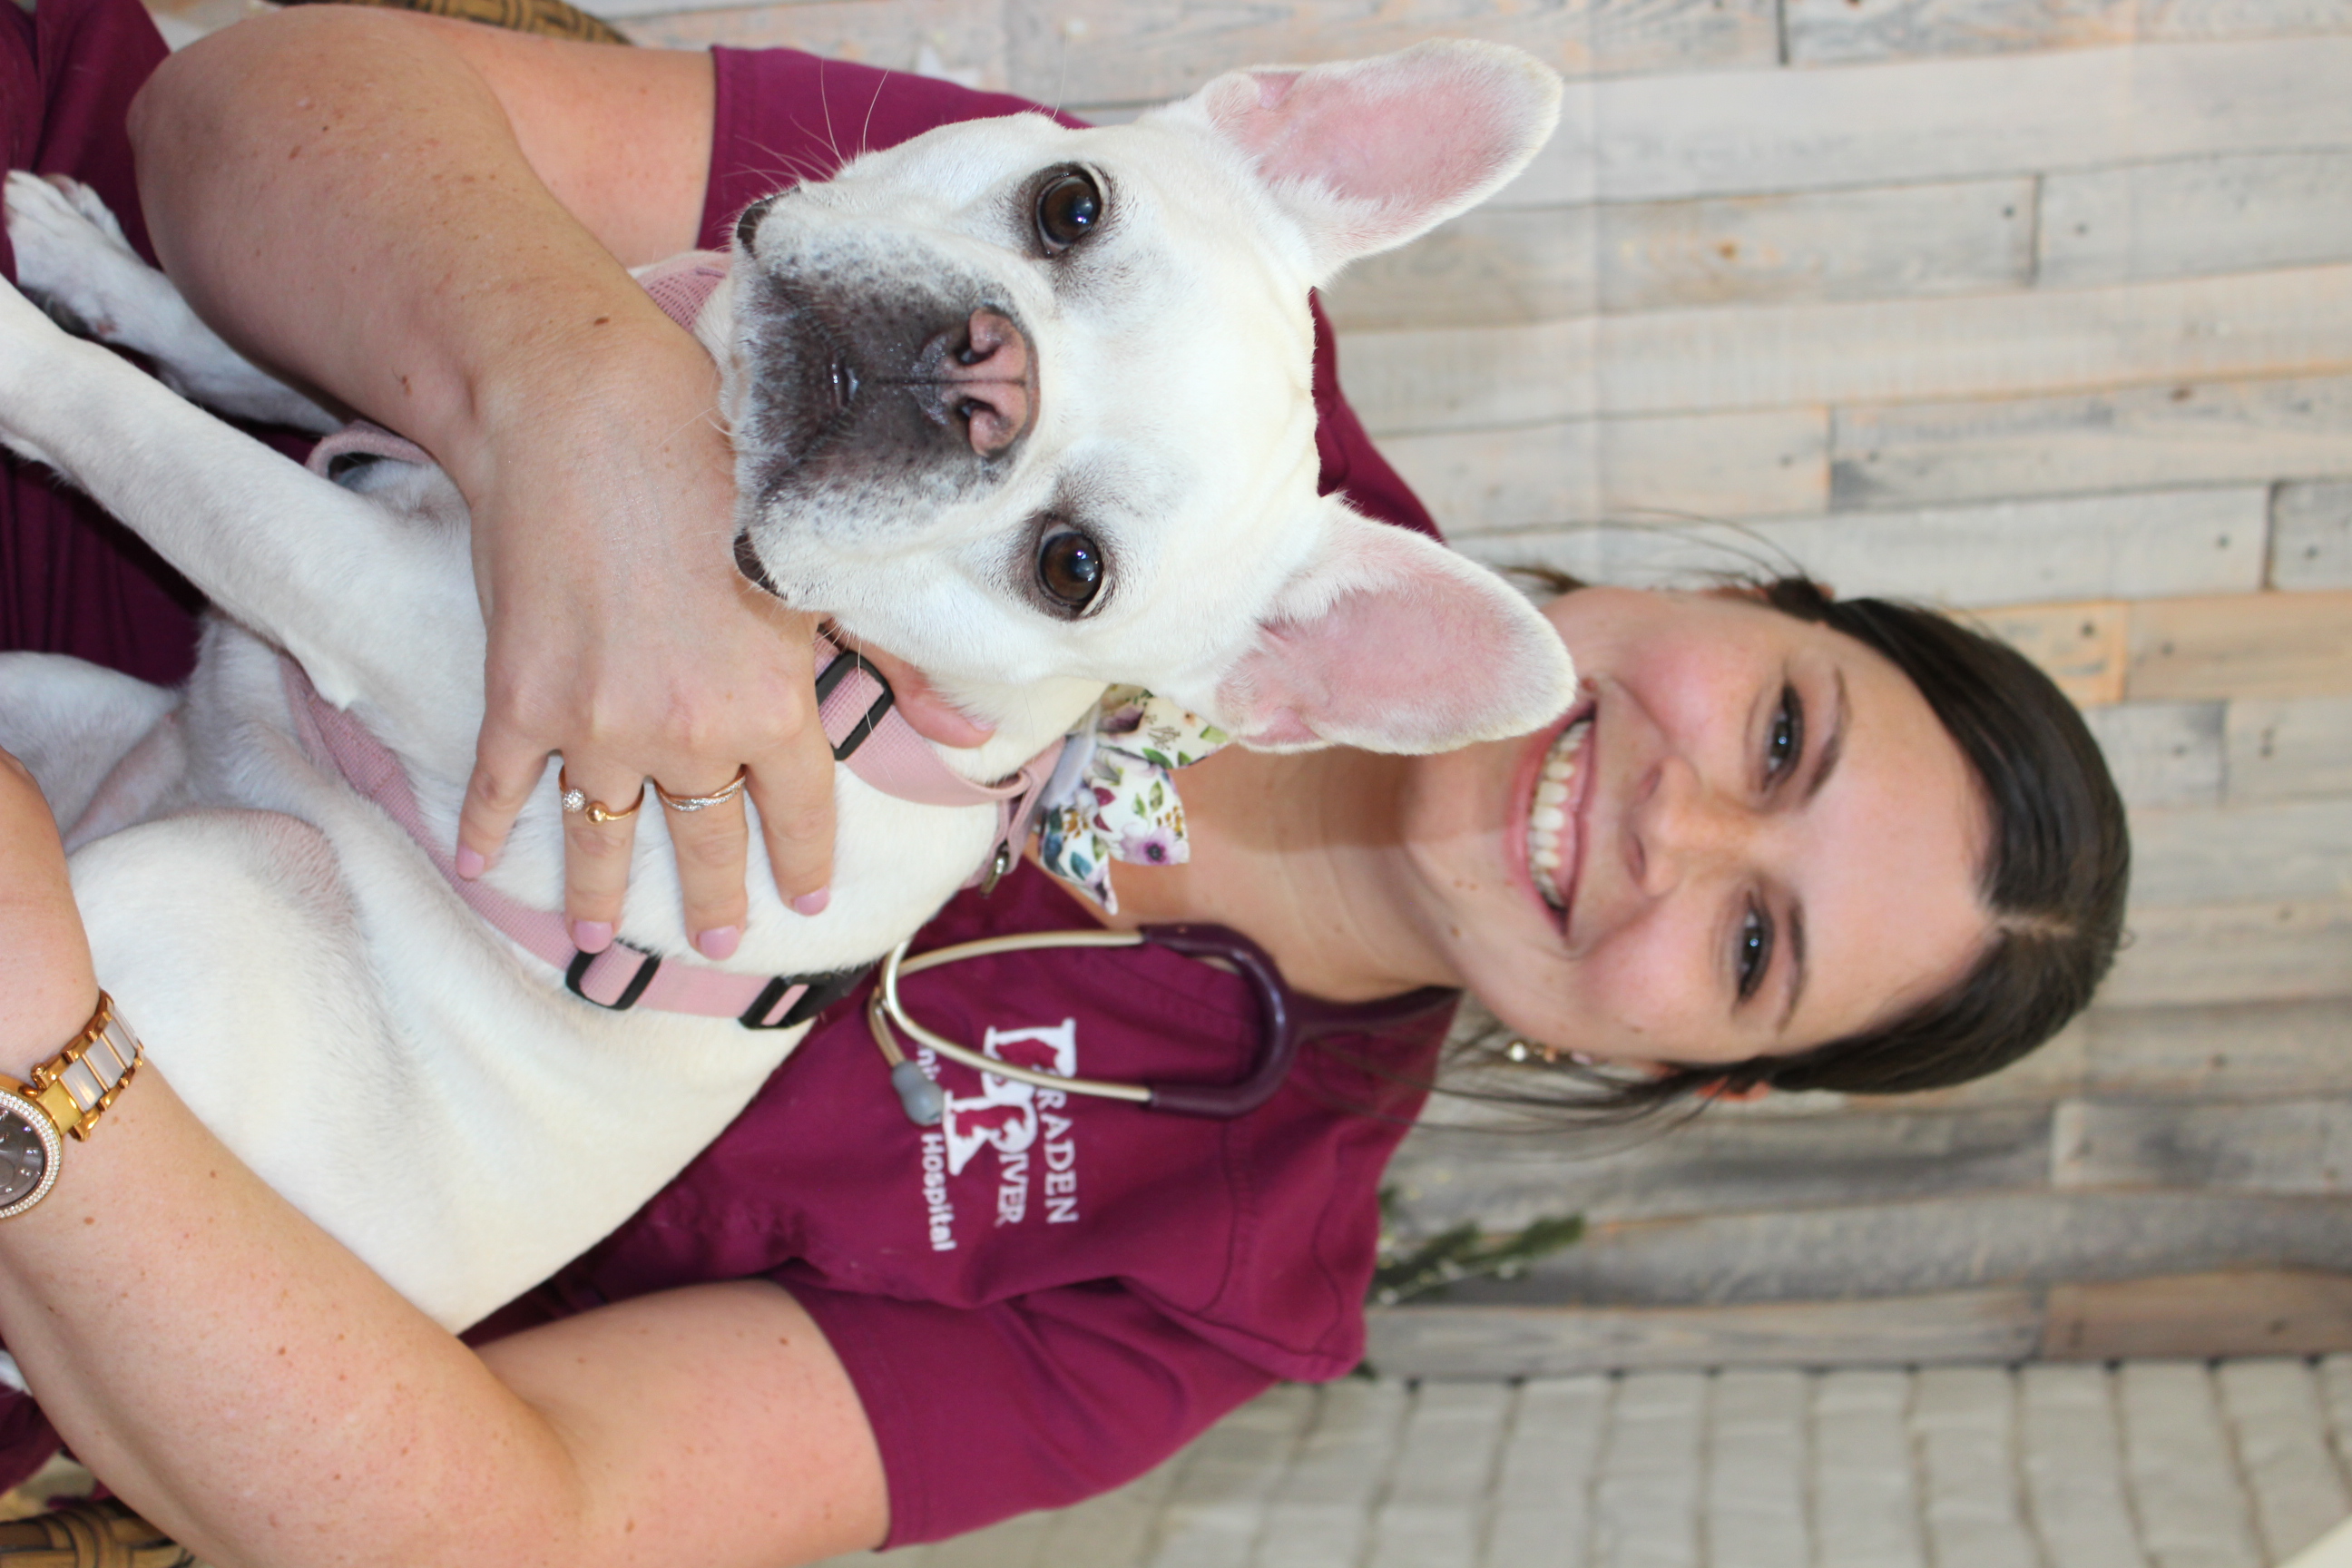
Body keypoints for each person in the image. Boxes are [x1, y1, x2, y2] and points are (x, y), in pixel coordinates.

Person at [0, 2, 2130, 1563]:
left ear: (1705, 1075)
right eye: (1780, 732)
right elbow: (251, 113)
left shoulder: (1205, 1276)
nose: (1677, 823)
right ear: (1738, 602)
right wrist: (568, 398)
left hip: (116, 1078)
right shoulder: (1187, 293)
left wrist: (44, 1050)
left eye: (1755, 940)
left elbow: (493, 1529)